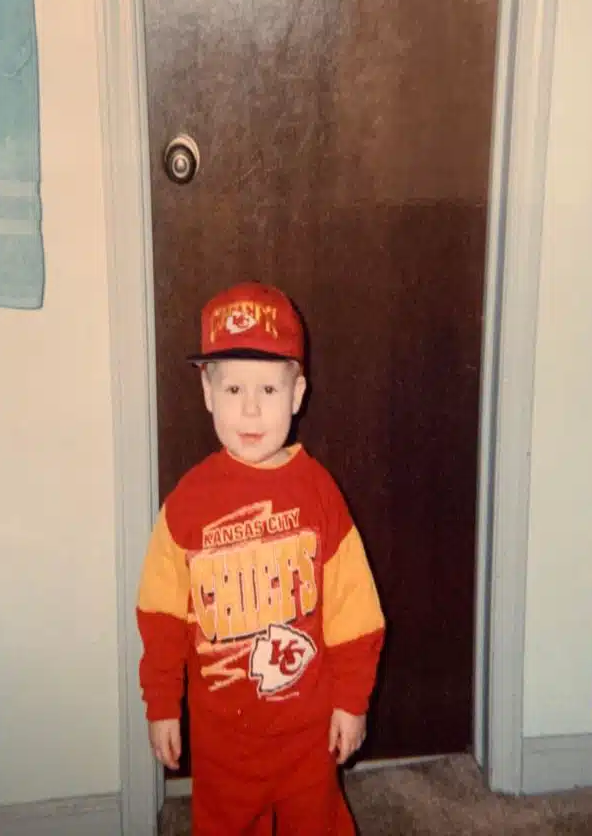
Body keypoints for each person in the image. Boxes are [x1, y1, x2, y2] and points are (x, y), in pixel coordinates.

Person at [136, 281, 386, 835]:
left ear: (297, 395)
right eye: (233, 389)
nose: (250, 409)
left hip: (306, 733)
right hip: (223, 740)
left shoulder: (320, 493)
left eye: (269, 389)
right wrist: (162, 705)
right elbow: (160, 617)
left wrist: (351, 701)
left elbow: (356, 612)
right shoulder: (186, 504)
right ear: (207, 392)